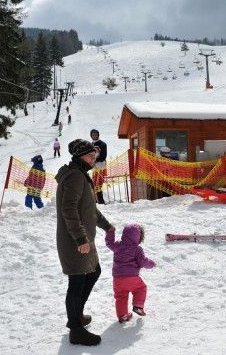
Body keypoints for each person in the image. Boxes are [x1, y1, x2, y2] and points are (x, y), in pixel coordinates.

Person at [55, 139, 114, 346]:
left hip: (83, 238)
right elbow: (68, 209)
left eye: (94, 156)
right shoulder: (74, 177)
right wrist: (80, 238)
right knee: (77, 282)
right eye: (90, 156)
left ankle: (77, 315)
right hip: (74, 240)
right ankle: (76, 329)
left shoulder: (80, 175)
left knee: (93, 272)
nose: (93, 160)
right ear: (80, 156)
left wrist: (106, 225)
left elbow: (89, 208)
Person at [105, 224, 156, 323]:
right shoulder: (137, 249)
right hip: (131, 277)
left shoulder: (118, 245)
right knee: (141, 288)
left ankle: (123, 315)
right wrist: (151, 264)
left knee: (120, 296)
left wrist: (110, 232)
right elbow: (142, 261)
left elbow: (109, 243)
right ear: (139, 237)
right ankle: (138, 306)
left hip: (117, 279)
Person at [90, 129, 108, 204]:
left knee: (99, 184)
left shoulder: (102, 144)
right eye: (93, 134)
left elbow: (103, 156)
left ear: (98, 135)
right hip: (94, 168)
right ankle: (96, 201)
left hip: (101, 167)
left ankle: (101, 201)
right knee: (94, 184)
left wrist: (96, 161)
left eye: (95, 134)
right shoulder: (91, 145)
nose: (94, 136)